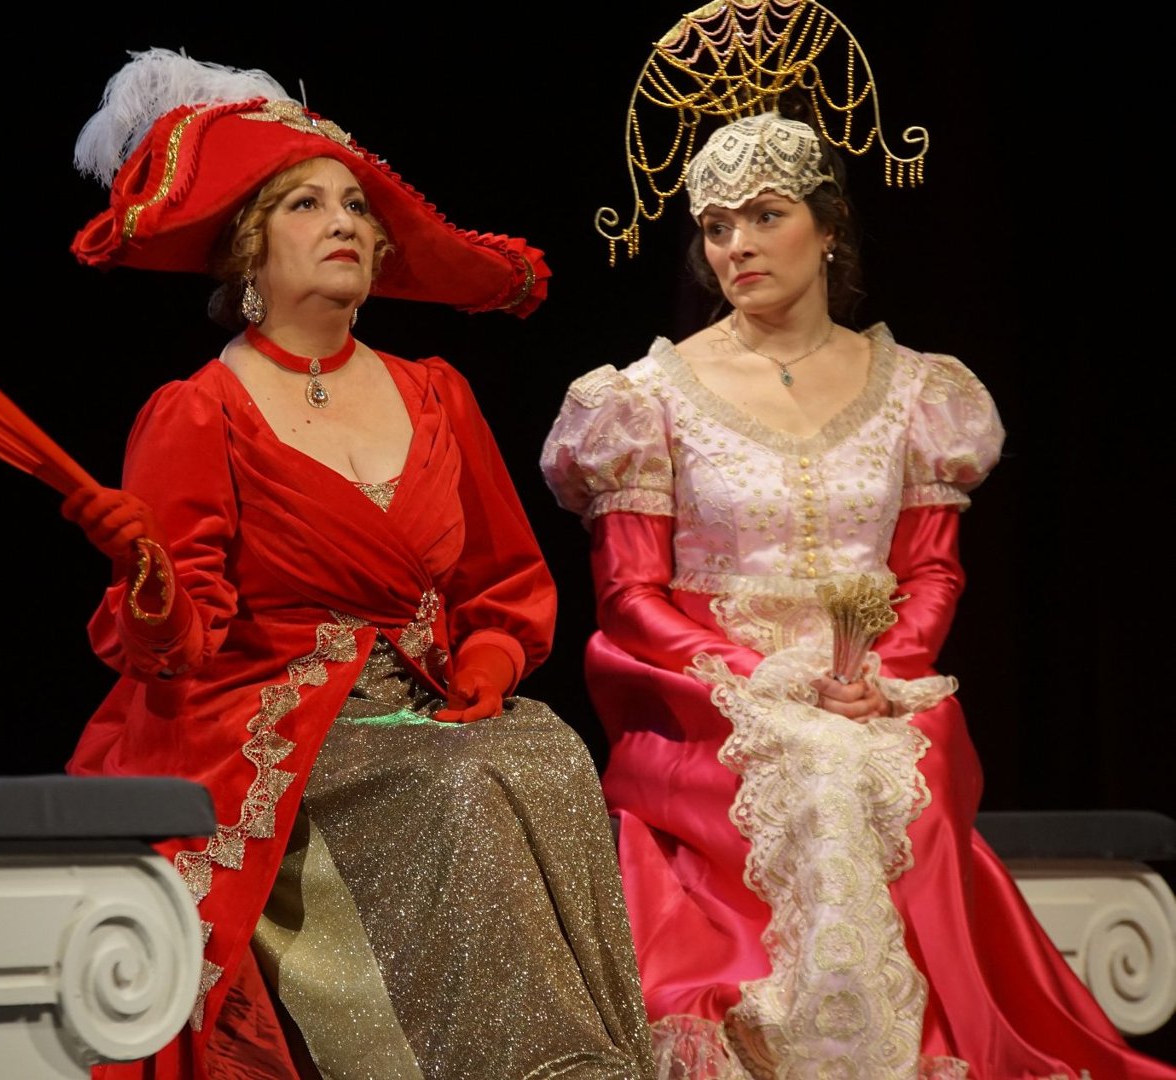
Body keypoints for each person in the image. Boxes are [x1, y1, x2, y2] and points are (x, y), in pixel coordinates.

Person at [542, 93, 1176, 1078]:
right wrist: (756, 678)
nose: (738, 247)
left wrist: (881, 674)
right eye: (717, 227)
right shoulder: (642, 400)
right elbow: (629, 599)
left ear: (829, 227)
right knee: (817, 770)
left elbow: (930, 570)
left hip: (877, 692)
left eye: (766, 216)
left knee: (878, 760)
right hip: (709, 703)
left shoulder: (919, 391)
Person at [60, 49, 655, 1079]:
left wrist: (489, 662)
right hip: (275, 722)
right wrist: (150, 581)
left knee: (546, 755)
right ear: (248, 250)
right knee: (460, 785)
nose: (344, 223)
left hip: (424, 709)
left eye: (355, 207)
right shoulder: (200, 412)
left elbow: (503, 584)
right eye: (305, 204)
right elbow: (178, 645)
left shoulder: (436, 394)